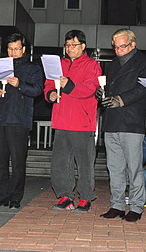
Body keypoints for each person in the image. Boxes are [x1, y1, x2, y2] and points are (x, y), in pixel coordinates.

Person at [97, 29, 146, 222]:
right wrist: (101, 94)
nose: (119, 50)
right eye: (115, 47)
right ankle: (117, 205)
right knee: (114, 168)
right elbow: (108, 88)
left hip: (131, 121)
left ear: (132, 44)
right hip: (112, 121)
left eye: (122, 46)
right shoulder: (112, 65)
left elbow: (145, 88)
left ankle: (137, 207)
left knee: (134, 168)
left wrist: (120, 100)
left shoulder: (145, 62)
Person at [45, 30, 101, 213]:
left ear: (83, 46)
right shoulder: (58, 64)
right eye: (67, 45)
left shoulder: (92, 65)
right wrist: (50, 94)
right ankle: (65, 196)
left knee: (85, 163)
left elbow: (90, 88)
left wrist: (68, 85)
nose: (70, 48)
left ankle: (85, 197)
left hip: (82, 122)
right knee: (61, 162)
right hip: (61, 120)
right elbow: (48, 83)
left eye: (74, 45)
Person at [0, 33, 43, 209]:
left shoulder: (33, 69)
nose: (13, 52)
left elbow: (38, 90)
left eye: (16, 49)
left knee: (18, 161)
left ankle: (15, 197)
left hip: (19, 119)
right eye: (10, 49)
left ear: (23, 49)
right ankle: (0, 195)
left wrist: (20, 84)